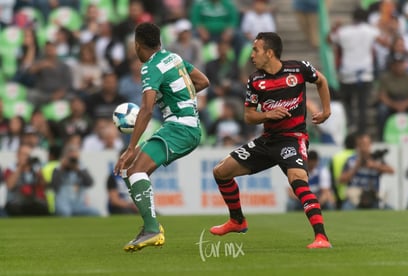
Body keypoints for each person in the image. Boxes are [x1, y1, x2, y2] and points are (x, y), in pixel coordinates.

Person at [209, 32, 332, 249]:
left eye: (256, 50)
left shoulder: (299, 68)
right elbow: (249, 115)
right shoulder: (256, 80)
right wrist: (267, 115)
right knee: (221, 171)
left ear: (269, 52)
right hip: (267, 141)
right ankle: (237, 221)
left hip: (293, 138)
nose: (251, 55)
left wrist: (326, 110)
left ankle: (321, 237)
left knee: (297, 180)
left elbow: (321, 81)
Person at [113, 22, 209, 252]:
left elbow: (145, 111)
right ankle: (150, 226)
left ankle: (152, 230)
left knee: (135, 169)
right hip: (185, 125)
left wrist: (130, 146)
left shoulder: (149, 67)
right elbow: (203, 81)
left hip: (179, 128)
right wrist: (176, 96)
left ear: (137, 45)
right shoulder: (173, 58)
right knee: (130, 169)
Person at [339, 133, 394, 210]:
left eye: (366, 144)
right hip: (355, 196)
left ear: (370, 145)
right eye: (361, 144)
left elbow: (391, 170)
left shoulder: (375, 159)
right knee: (346, 208)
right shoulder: (351, 160)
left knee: (390, 209)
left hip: (373, 196)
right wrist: (356, 167)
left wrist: (375, 166)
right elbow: (341, 180)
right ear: (357, 145)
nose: (364, 147)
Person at [51, 144, 100, 217]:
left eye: (75, 159)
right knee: (65, 213)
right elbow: (54, 186)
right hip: (63, 203)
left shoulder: (81, 168)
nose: (73, 161)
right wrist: (62, 168)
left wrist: (78, 170)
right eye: (71, 159)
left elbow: (90, 183)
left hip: (79, 204)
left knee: (95, 213)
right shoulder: (58, 169)